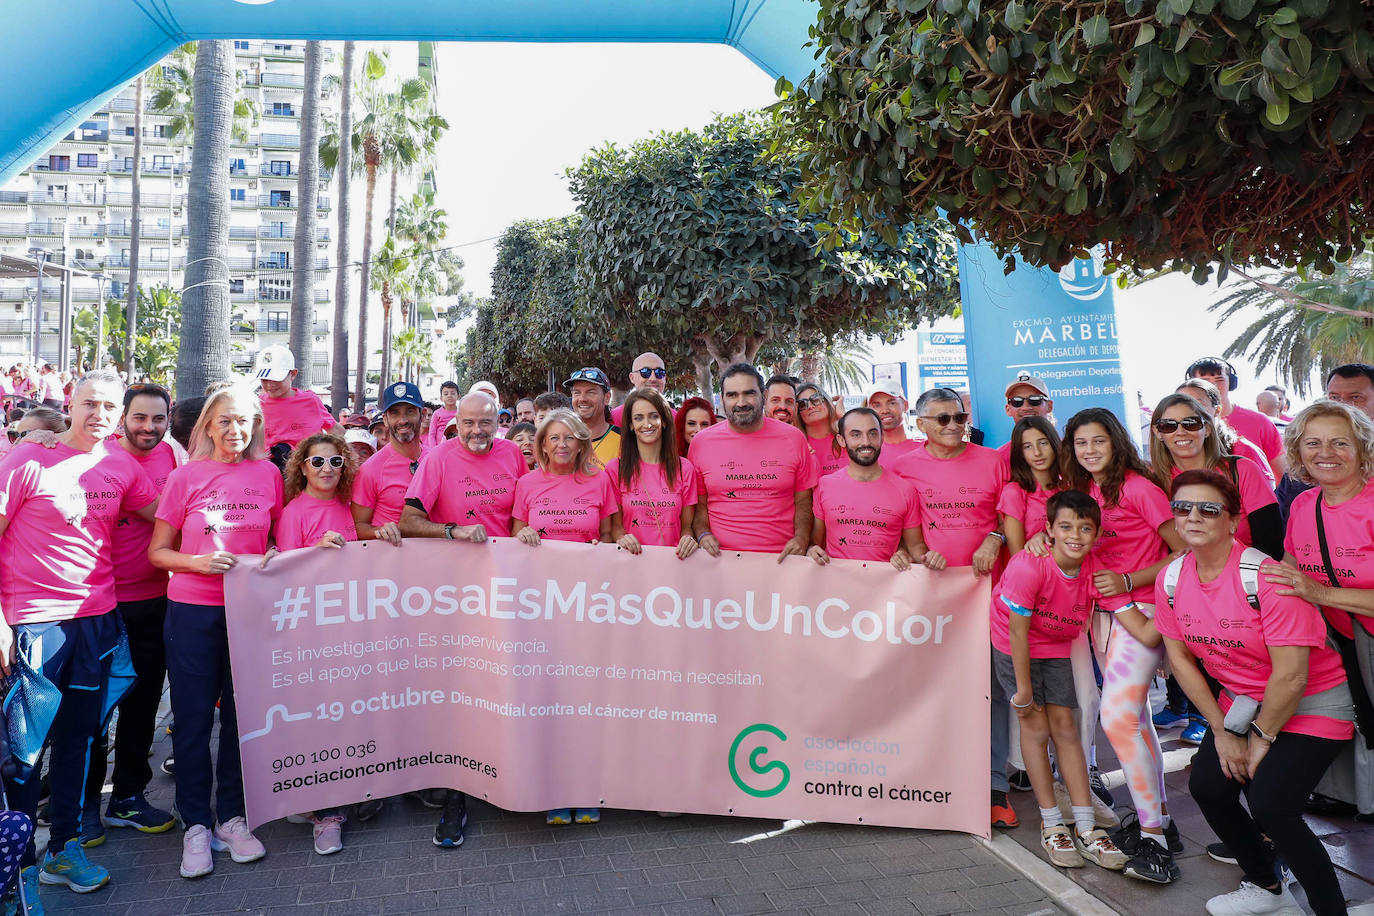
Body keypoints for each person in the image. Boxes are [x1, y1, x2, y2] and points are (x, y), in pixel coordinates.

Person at [1160, 469, 1354, 916]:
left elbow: (1292, 676)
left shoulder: (1266, 579)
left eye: (1209, 509)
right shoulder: (1171, 578)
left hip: (1313, 701)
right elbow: (1180, 660)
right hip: (1244, 701)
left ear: (1233, 520)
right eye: (1182, 507)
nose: (1193, 517)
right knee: (1209, 786)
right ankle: (1267, 885)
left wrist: (1258, 740)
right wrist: (1221, 731)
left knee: (1271, 805)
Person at [0, 370, 158, 903]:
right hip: (35, 624)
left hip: (98, 621)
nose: (99, 414)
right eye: (90, 403)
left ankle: (63, 849)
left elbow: (168, 516)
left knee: (81, 740)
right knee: (24, 753)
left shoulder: (121, 465)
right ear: (71, 403)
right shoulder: (28, 458)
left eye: (110, 406)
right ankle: (18, 867)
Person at [149, 386, 282, 880]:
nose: (234, 429)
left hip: (248, 612)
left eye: (243, 420)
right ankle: (195, 824)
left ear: (255, 426)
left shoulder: (268, 474)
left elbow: (278, 538)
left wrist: (275, 554)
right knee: (192, 719)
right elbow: (158, 552)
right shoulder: (184, 476)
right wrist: (198, 562)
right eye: (224, 420)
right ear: (208, 424)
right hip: (192, 612)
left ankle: (231, 817)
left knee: (241, 719)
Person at [1061, 408, 1186, 884]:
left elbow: (1182, 550)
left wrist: (1131, 580)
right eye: (1081, 442)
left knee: (1116, 717)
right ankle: (1162, 824)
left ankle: (1154, 841)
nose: (1089, 450)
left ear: (1115, 441)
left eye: (1098, 441)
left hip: (1142, 611)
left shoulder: (1138, 488)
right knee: (1137, 719)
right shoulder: (1087, 490)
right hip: (1103, 615)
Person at [401, 391, 527, 848]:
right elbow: (408, 520)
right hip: (456, 596)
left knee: (506, 687)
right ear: (456, 421)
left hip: (509, 592)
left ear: (499, 422)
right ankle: (457, 798)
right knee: (462, 695)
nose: (477, 431)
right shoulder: (438, 458)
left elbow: (524, 513)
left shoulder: (513, 455)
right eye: (468, 423)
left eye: (485, 423)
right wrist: (452, 531)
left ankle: (510, 780)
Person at [269, 433, 396, 857]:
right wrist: (315, 553)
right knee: (319, 722)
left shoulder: (348, 509)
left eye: (336, 462)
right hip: (313, 637)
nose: (327, 469)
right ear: (302, 467)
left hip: (351, 631)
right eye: (318, 461)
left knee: (349, 715)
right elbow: (284, 576)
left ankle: (342, 795)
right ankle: (325, 814)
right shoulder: (294, 512)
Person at [890, 387, 1012, 828]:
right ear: (921, 424)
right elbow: (897, 523)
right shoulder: (903, 466)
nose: (953, 425)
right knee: (933, 688)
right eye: (942, 419)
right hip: (932, 599)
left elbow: (1010, 516)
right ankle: (934, 778)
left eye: (959, 417)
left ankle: (995, 787)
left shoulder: (992, 462)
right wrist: (910, 551)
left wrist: (994, 539)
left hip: (988, 594)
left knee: (992, 691)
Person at [997, 490, 1127, 872]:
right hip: (1014, 644)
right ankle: (1052, 823)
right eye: (1065, 527)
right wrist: (1023, 691)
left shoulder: (1092, 567)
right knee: (1035, 726)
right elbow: (1018, 633)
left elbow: (1124, 607)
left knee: (1066, 726)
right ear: (1049, 530)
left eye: (1085, 528)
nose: (1075, 535)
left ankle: (1085, 826)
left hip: (1053, 643)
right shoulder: (1029, 566)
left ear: (1097, 533)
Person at [512, 408, 620, 827]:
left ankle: (586, 788)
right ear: (542, 444)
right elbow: (514, 538)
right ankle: (554, 790)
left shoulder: (600, 480)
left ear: (580, 443)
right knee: (549, 701)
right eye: (553, 437)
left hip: (588, 606)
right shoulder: (526, 483)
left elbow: (609, 536)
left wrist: (604, 548)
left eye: (569, 437)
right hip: (542, 608)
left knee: (586, 700)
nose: (561, 444)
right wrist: (522, 535)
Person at [998, 416, 1113, 811]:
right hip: (1033, 610)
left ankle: (1085, 768)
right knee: (1031, 703)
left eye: (1043, 442)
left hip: (1072, 609)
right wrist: (1037, 542)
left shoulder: (1072, 486)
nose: (1036, 452)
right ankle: (1041, 776)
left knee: (1084, 696)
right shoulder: (1015, 492)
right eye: (1027, 446)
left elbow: (1085, 535)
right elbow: (1020, 556)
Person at [82, 384, 180, 847]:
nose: (148, 427)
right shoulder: (97, 456)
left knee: (141, 705)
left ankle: (126, 797)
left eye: (158, 419)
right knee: (92, 710)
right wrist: (39, 435)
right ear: (123, 417)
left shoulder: (172, 456)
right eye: (139, 417)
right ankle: (80, 808)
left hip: (154, 600)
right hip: (99, 603)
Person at [1277, 399, 1374, 825]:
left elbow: (1310, 587)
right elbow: (1289, 570)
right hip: (1341, 639)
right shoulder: (1304, 505)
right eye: (1313, 443)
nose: (1325, 453)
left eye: (1340, 442)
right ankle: (1354, 798)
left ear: (1363, 447)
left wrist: (1321, 593)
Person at [688, 363, 818, 562]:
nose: (741, 403)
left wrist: (801, 539)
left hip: (783, 560)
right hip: (720, 561)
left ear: (763, 396)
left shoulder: (794, 439)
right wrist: (703, 534)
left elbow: (804, 501)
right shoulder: (700, 443)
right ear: (722, 398)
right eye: (732, 395)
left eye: (749, 393)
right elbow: (699, 505)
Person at [1149, 393, 1282, 560]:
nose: (1180, 432)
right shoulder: (1155, 483)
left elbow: (1272, 542)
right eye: (1168, 425)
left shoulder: (1242, 470)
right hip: (1188, 574)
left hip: (1248, 572)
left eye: (1191, 423)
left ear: (1207, 429)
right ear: (1157, 432)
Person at [808, 407, 934, 569]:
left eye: (873, 433)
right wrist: (811, 550)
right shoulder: (825, 486)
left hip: (886, 583)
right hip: (836, 583)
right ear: (841, 440)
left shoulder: (905, 490)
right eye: (856, 435)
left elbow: (915, 547)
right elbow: (815, 542)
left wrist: (925, 558)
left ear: (882, 438)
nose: (866, 442)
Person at [606, 389, 699, 558]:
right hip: (631, 562)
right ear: (631, 425)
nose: (647, 424)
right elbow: (616, 527)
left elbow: (686, 528)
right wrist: (621, 538)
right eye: (638, 418)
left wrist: (688, 539)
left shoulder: (684, 468)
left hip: (674, 563)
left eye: (653, 416)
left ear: (664, 421)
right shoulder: (615, 469)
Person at [352, 382, 428, 548]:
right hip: (391, 558)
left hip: (437, 556)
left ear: (422, 414)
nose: (403, 420)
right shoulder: (370, 469)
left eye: (410, 411)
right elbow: (356, 527)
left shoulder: (435, 459)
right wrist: (379, 531)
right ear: (385, 419)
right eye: (395, 413)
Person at [1186, 357, 1284, 479]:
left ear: (1231, 383)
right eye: (1204, 381)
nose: (1213, 386)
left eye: (1219, 380)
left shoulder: (1260, 422)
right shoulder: (1179, 426)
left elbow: (1282, 474)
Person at [1178, 378, 1275, 485]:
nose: (1187, 411)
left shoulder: (1243, 451)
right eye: (1180, 405)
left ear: (1217, 410)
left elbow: (1266, 492)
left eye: (1198, 405)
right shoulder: (1168, 452)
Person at [253, 344, 340, 457]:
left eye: (276, 378)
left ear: (293, 374)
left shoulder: (311, 401)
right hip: (268, 465)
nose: (270, 384)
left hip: (305, 464)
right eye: (264, 379)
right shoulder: (256, 404)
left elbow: (336, 431)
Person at [564, 368, 620, 467]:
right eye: (577, 393)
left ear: (607, 398)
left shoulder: (624, 440)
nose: (582, 399)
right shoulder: (562, 439)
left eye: (590, 392)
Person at [999, 373, 1055, 465]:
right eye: (1017, 401)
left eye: (1035, 399)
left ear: (1049, 406)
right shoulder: (1000, 459)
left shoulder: (1069, 451)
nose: (1026, 407)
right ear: (1008, 409)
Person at [797, 382, 845, 477]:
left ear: (827, 401)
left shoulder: (846, 437)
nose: (810, 406)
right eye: (802, 404)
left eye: (816, 399)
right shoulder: (798, 446)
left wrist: (843, 416)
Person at [866, 383, 919, 468]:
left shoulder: (926, 447)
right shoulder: (865, 452)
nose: (884, 410)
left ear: (905, 405)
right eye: (877, 405)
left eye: (892, 403)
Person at [610, 351, 669, 427]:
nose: (653, 378)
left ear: (665, 378)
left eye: (659, 372)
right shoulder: (615, 418)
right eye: (645, 372)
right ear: (632, 378)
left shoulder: (677, 418)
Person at [426, 381, 460, 447]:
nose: (449, 396)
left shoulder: (461, 413)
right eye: (446, 394)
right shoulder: (436, 414)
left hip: (456, 446)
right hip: (440, 447)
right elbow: (432, 434)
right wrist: (434, 449)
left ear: (458, 396)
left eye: (453, 393)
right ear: (441, 398)